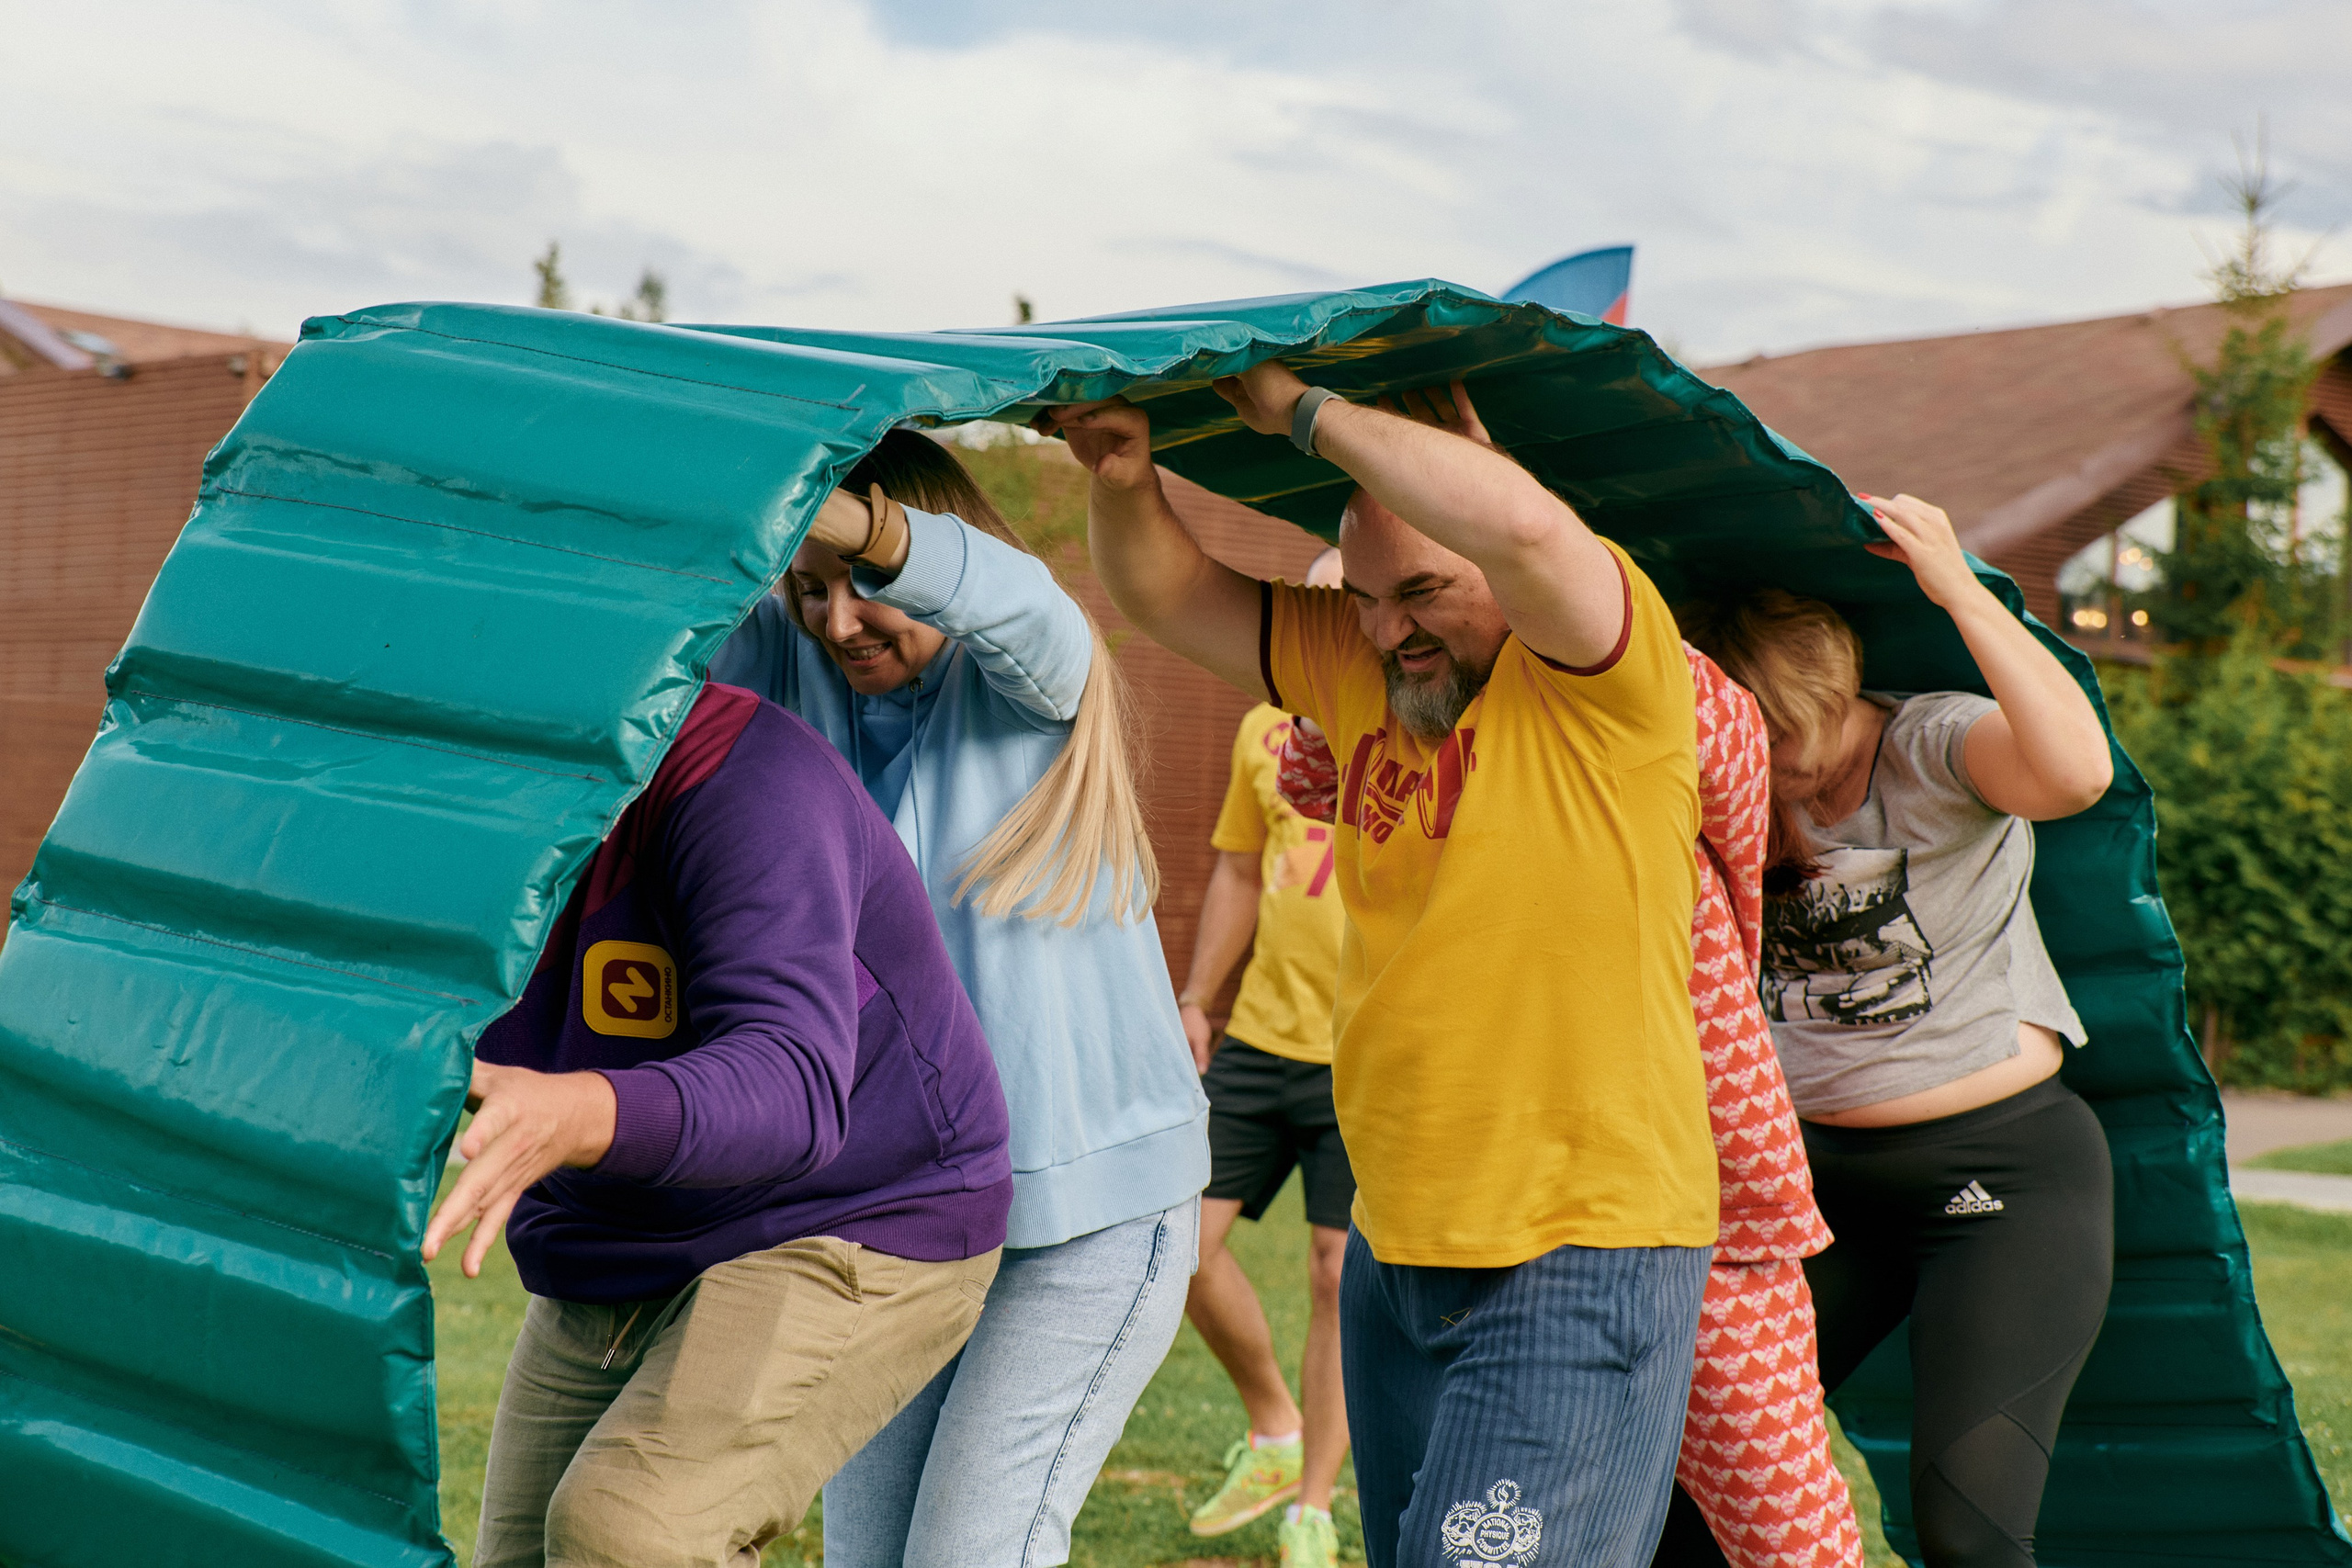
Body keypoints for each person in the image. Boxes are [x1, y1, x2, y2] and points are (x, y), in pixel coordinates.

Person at [1040, 370, 1718, 1568]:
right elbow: (1168, 591)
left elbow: (1520, 527)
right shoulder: (1364, 673)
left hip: (1575, 1247)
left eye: (1423, 591)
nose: (1387, 625)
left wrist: (1298, 406)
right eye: (1363, 596)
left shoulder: (1609, 676)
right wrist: (1124, 479)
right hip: (1398, 1249)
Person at [707, 430, 1209, 1568]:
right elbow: (692, 634)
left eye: (868, 586)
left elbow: (1021, 606)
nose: (840, 622)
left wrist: (852, 525)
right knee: (866, 1558)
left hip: (1083, 1225)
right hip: (912, 1222)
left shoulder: (1029, 686)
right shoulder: (796, 697)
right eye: (811, 592)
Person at [1278, 637, 1866, 1568]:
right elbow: (1308, 769)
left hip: (1691, 1225)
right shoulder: (1437, 739)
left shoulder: (1654, 719)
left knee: (1786, 1540)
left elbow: (1699, 708)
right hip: (1460, 1218)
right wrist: (1376, 620)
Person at [431, 678, 1013, 1568]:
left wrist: (578, 1112)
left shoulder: (748, 781)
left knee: (626, 1534)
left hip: (850, 1207)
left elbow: (794, 1085)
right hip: (618, 1227)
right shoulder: (420, 788)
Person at [1676, 492, 2116, 1568]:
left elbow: (2076, 773)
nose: (1792, 782)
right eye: (1760, 750)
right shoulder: (1722, 779)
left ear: (1843, 693)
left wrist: (1959, 588)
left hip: (2002, 1185)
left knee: (1966, 1534)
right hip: (1814, 1188)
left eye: (1804, 747)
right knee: (1686, 1502)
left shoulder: (1932, 744)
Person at [1176, 550, 1355, 1567]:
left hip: (1359, 1057)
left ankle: (1314, 1506)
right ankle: (1274, 1428)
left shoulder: (1417, 727)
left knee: (1336, 1274)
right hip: (1257, 1039)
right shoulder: (1263, 729)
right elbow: (1240, 873)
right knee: (1173, 1246)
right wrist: (1199, 999)